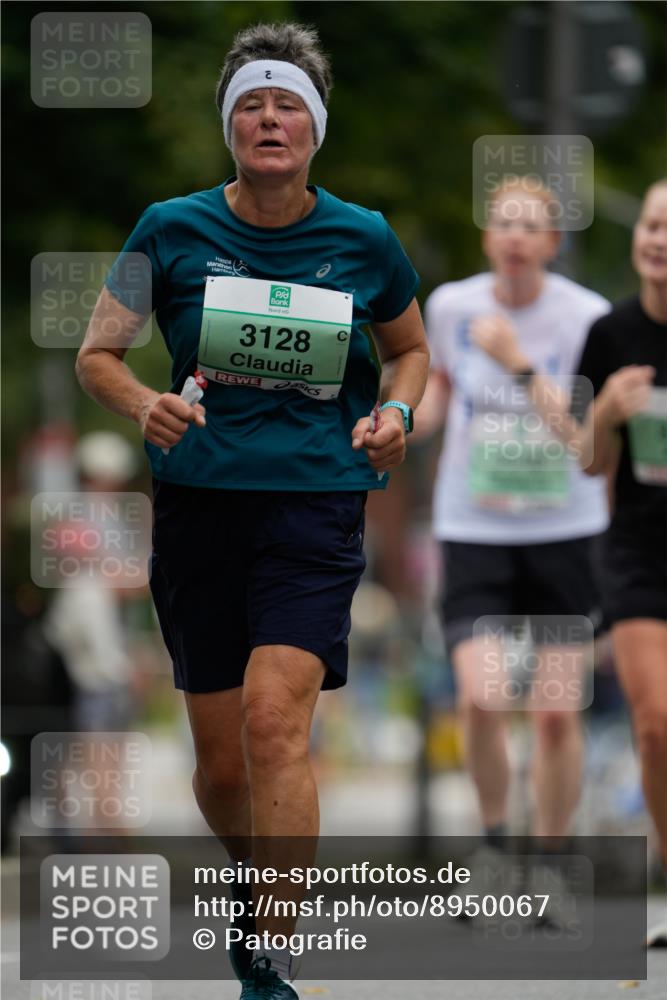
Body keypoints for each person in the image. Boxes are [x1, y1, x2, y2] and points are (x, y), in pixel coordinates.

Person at [75, 21, 429, 998]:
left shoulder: (362, 239)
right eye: (250, 104)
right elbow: (97, 354)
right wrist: (141, 401)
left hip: (315, 508)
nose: (268, 119)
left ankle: (269, 961)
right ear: (228, 125)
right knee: (224, 766)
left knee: (277, 721)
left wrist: (397, 411)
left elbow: (409, 349)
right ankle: (253, 885)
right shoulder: (169, 228)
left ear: (314, 127)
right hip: (199, 512)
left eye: (286, 106)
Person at [475, 178, 667, 945]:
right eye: (652, 225)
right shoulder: (610, 333)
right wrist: (612, 415)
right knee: (654, 727)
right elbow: (588, 461)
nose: (657, 239)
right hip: (638, 555)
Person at [419, 176, 610, 918]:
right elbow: (439, 389)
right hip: (473, 527)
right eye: (503, 222)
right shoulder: (451, 307)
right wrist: (404, 421)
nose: (516, 236)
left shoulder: (585, 318)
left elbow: (583, 437)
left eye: (532, 225)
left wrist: (519, 366)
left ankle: (553, 863)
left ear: (553, 244)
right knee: (478, 693)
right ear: (486, 237)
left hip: (565, 529)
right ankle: (495, 846)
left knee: (556, 712)